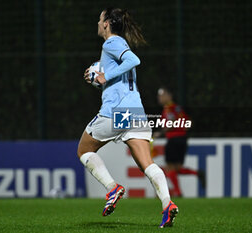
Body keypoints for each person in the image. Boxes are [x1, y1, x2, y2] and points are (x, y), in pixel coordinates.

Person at [77, 8, 178, 228]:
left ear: (106, 24)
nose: (97, 21)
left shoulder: (111, 43)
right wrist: (102, 75)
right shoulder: (119, 45)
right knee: (147, 164)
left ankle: (112, 187)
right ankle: (167, 204)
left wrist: (104, 75)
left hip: (117, 112)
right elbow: (124, 68)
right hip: (136, 112)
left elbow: (134, 60)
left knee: (84, 150)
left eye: (100, 18)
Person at [153, 87, 205, 197]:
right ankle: (197, 173)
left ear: (169, 96)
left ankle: (178, 192)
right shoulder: (177, 108)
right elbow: (189, 121)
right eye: (159, 95)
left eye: (162, 95)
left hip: (173, 139)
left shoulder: (169, 108)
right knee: (177, 168)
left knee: (170, 168)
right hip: (182, 139)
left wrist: (160, 133)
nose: (160, 98)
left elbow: (171, 123)